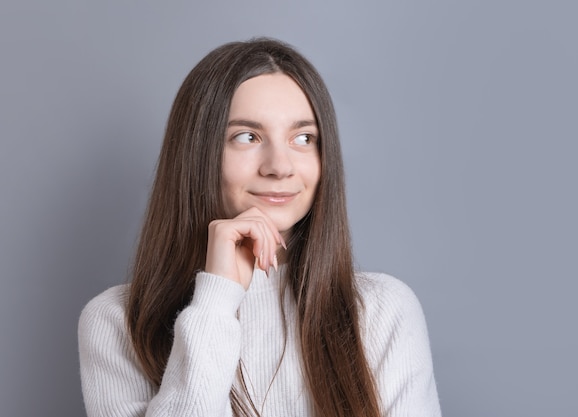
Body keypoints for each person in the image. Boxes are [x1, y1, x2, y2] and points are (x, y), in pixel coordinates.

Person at [78, 38, 441, 417]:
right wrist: (217, 299)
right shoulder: (116, 322)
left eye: (304, 138)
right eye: (247, 137)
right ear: (196, 154)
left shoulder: (383, 311)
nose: (279, 166)